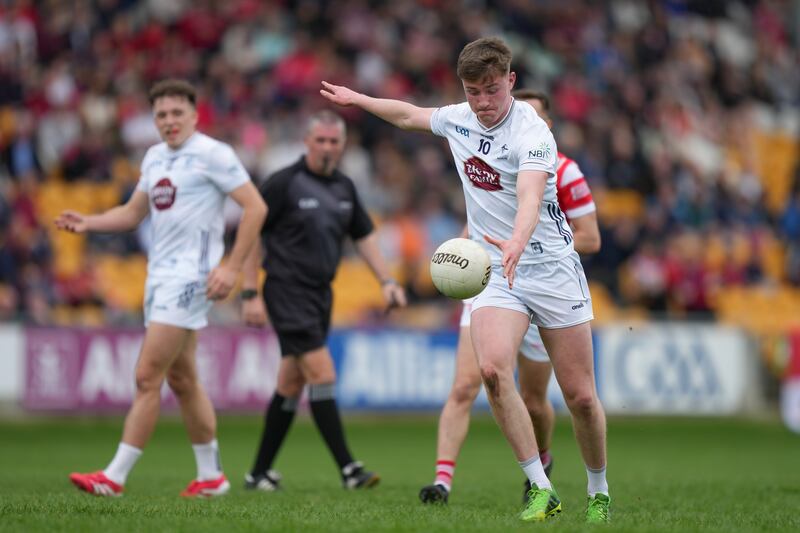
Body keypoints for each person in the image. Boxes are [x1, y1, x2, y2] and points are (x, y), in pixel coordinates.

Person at [321, 37, 611, 523]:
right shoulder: (460, 117)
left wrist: (518, 238)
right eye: (472, 91)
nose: (481, 101)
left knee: (580, 397)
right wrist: (359, 100)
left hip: (551, 267)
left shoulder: (533, 133)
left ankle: (599, 490)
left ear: (511, 82)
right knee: (494, 373)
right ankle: (541, 487)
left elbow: (530, 195)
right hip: (495, 270)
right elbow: (409, 115)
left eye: (491, 90)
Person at [59, 79, 267, 497]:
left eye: (177, 113)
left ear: (194, 114)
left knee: (146, 375)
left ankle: (114, 477)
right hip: (159, 277)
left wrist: (231, 268)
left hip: (190, 279)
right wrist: (89, 223)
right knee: (183, 379)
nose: (169, 121)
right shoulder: (154, 158)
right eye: (161, 115)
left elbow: (255, 207)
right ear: (153, 120)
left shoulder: (213, 154)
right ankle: (212, 477)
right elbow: (133, 213)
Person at [418, 89, 601, 505]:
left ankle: (545, 462)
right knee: (472, 381)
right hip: (492, 280)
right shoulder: (482, 153)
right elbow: (479, 219)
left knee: (540, 399)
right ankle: (443, 482)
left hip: (545, 279)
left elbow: (591, 237)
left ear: (546, 128)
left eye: (531, 117)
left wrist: (539, 244)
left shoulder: (566, 171)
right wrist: (459, 256)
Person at [241, 110, 407, 491]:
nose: (328, 147)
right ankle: (349, 469)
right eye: (321, 140)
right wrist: (249, 292)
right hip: (286, 290)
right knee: (322, 373)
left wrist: (387, 280)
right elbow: (250, 235)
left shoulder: (345, 188)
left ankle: (258, 473)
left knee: (291, 382)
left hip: (320, 294)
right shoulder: (284, 183)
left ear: (343, 144)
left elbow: (364, 236)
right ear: (307, 141)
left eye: (335, 141)